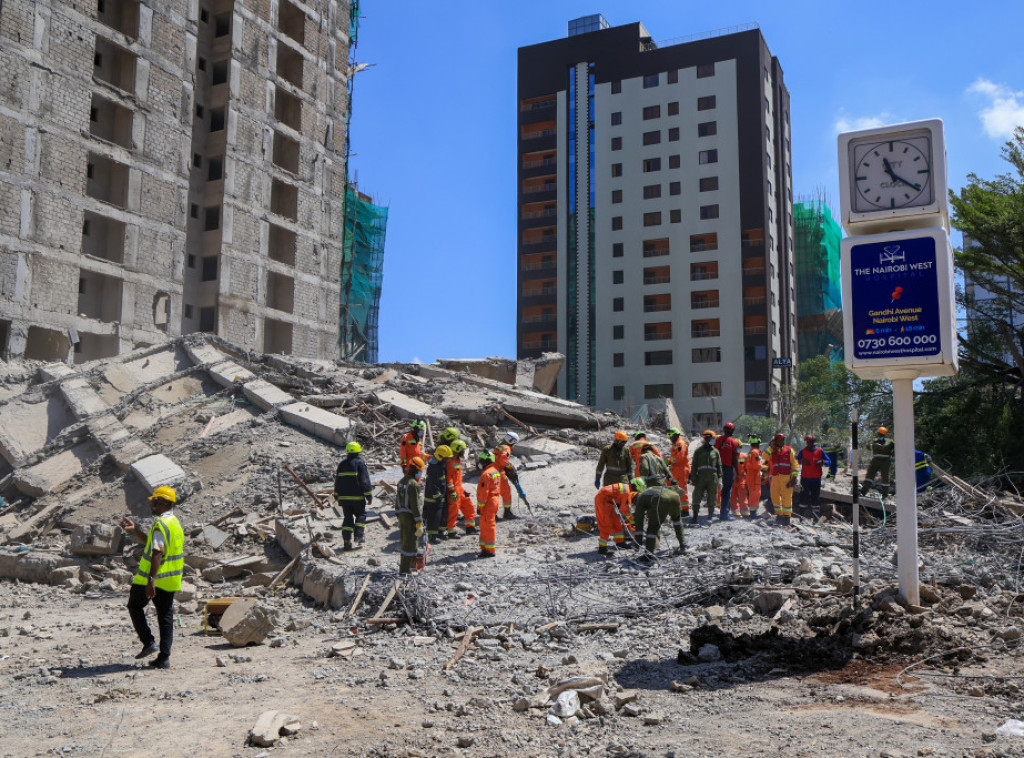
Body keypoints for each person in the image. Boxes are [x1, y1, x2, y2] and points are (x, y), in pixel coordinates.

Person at [119, 486, 185, 669]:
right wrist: (135, 530)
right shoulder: (174, 522)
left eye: (154, 501)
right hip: (170, 579)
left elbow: (157, 552)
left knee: (134, 606)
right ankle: (164, 658)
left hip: (152, 579)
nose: (151, 504)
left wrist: (151, 580)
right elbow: (152, 542)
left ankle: (149, 643)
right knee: (165, 615)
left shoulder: (160, 525)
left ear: (162, 502)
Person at [334, 441, 373, 549]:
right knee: (361, 515)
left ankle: (347, 542)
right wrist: (368, 495)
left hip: (344, 499)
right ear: (358, 452)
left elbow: (337, 481)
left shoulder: (342, 465)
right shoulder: (360, 463)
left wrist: (336, 495)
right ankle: (359, 536)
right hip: (357, 497)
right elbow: (364, 481)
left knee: (348, 518)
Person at [632, 483, 686, 557]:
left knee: (652, 527)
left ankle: (648, 553)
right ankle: (683, 544)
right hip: (675, 497)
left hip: (661, 499)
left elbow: (639, 522)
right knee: (677, 521)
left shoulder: (641, 499)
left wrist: (638, 542)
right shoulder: (650, 491)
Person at [593, 478, 640, 555]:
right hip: (602, 501)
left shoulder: (627, 489)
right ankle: (602, 549)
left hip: (609, 502)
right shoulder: (627, 492)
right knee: (605, 524)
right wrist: (632, 520)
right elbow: (623, 509)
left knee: (616, 523)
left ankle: (620, 542)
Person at [395, 457, 425, 575]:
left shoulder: (401, 481)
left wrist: (398, 514)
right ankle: (405, 570)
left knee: (404, 541)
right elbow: (415, 505)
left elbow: (397, 501)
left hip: (401, 515)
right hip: (410, 517)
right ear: (416, 469)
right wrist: (419, 522)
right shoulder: (413, 484)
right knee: (411, 543)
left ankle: (406, 567)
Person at [689, 430, 722, 525]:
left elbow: (719, 465)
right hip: (701, 478)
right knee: (696, 496)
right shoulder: (698, 451)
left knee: (712, 496)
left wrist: (720, 478)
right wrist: (693, 478)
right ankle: (695, 517)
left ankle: (710, 517)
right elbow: (694, 465)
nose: (712, 440)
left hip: (713, 478)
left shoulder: (715, 452)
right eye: (711, 438)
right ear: (706, 438)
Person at [446, 439, 476, 537]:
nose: (464, 452)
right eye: (462, 450)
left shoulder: (457, 460)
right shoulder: (450, 461)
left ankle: (470, 527)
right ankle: (451, 531)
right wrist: (451, 491)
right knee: (453, 512)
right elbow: (449, 477)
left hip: (460, 489)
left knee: (469, 507)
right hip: (454, 491)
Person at [796, 434, 830, 521]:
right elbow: (796, 460)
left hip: (816, 480)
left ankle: (815, 519)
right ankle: (801, 518)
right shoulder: (803, 451)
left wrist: (822, 462)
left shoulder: (820, 451)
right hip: (805, 479)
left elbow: (829, 462)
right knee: (803, 498)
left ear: (813, 442)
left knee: (815, 499)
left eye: (809, 442)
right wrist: (801, 460)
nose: (808, 444)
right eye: (807, 442)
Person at [423, 445, 452, 543]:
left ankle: (440, 532)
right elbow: (432, 483)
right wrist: (437, 495)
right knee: (434, 516)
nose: (447, 460)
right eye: (446, 458)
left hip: (441, 495)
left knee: (442, 514)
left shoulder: (440, 465)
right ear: (440, 456)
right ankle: (432, 536)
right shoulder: (434, 467)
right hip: (433, 497)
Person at [768, 432, 799, 527]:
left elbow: (795, 465)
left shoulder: (789, 451)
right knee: (774, 496)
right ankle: (779, 515)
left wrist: (794, 478)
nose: (781, 442)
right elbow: (764, 457)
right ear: (775, 441)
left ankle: (786, 518)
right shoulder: (772, 451)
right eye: (778, 440)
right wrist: (771, 447)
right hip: (776, 477)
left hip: (786, 478)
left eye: (782, 440)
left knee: (786, 498)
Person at [492, 431, 525, 520]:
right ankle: (507, 513)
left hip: (491, 471)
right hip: (498, 473)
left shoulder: (499, 446)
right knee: (505, 492)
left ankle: (492, 514)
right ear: (512, 441)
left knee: (493, 494)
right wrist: (510, 467)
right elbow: (503, 460)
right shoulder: (506, 448)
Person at [476, 450, 502, 558]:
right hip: (494, 500)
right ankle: (484, 548)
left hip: (488, 502)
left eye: (481, 461)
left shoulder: (486, 474)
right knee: (484, 524)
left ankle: (489, 550)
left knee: (488, 525)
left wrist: (479, 507)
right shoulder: (494, 471)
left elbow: (483, 493)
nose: (480, 463)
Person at [714, 422, 742, 522]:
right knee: (726, 490)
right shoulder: (735, 443)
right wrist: (738, 473)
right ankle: (724, 514)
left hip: (717, 468)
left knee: (716, 489)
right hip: (728, 469)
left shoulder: (718, 440)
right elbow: (735, 459)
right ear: (733, 431)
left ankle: (712, 512)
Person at [861, 427, 895, 497]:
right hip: (875, 460)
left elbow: (896, 448)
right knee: (869, 475)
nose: (879, 434)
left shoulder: (890, 441)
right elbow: (868, 447)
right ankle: (863, 491)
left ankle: (885, 494)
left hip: (885, 461)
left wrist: (892, 453)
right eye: (879, 433)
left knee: (885, 477)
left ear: (884, 434)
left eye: (881, 433)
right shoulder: (875, 441)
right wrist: (875, 446)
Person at [666, 428, 691, 519]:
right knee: (672, 487)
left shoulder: (680, 444)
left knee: (682, 489)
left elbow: (679, 458)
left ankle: (685, 510)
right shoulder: (676, 444)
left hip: (682, 469)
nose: (670, 438)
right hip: (676, 469)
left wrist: (668, 461)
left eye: (671, 435)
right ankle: (675, 507)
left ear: (676, 435)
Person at [743, 437, 764, 518]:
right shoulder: (755, 452)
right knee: (755, 494)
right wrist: (764, 468)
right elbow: (757, 465)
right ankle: (753, 514)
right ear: (757, 443)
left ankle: (752, 513)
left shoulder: (750, 452)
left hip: (750, 476)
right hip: (754, 477)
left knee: (752, 494)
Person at [730, 446, 750, 518]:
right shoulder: (730, 456)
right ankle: (736, 513)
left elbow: (748, 469)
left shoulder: (744, 456)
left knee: (743, 497)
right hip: (732, 479)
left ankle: (745, 513)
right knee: (733, 497)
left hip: (741, 480)